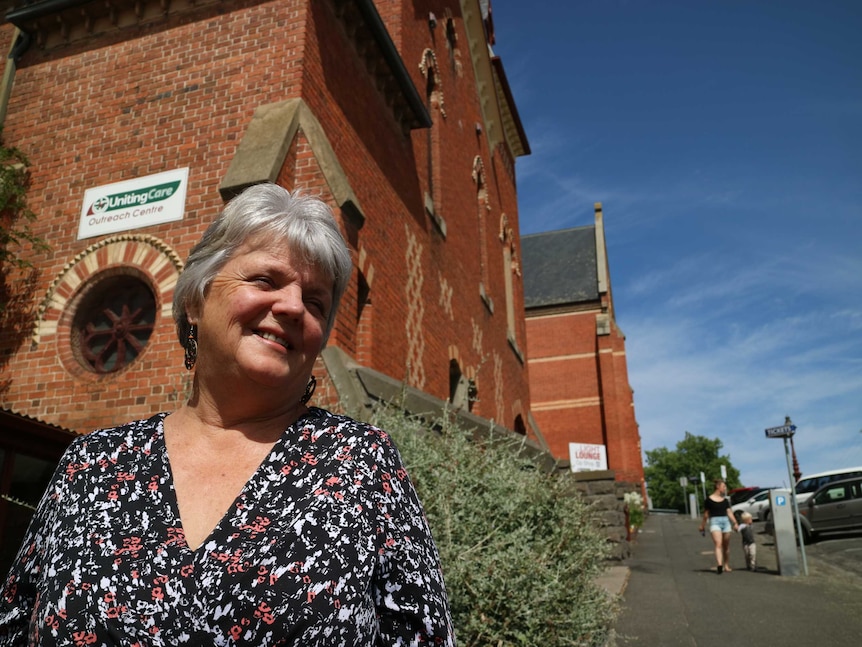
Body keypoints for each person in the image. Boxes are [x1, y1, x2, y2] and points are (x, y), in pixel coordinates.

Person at [0, 183, 456, 646]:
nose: (294, 306)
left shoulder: (359, 462)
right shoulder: (92, 464)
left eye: (316, 302)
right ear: (196, 299)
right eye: (265, 281)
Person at [698, 478, 739, 574]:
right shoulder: (708, 500)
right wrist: (702, 526)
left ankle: (726, 565)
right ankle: (720, 565)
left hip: (725, 522)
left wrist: (735, 523)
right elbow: (706, 515)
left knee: (726, 546)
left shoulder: (725, 501)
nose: (725, 489)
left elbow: (729, 512)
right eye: (724, 487)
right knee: (718, 544)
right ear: (718, 487)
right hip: (715, 522)